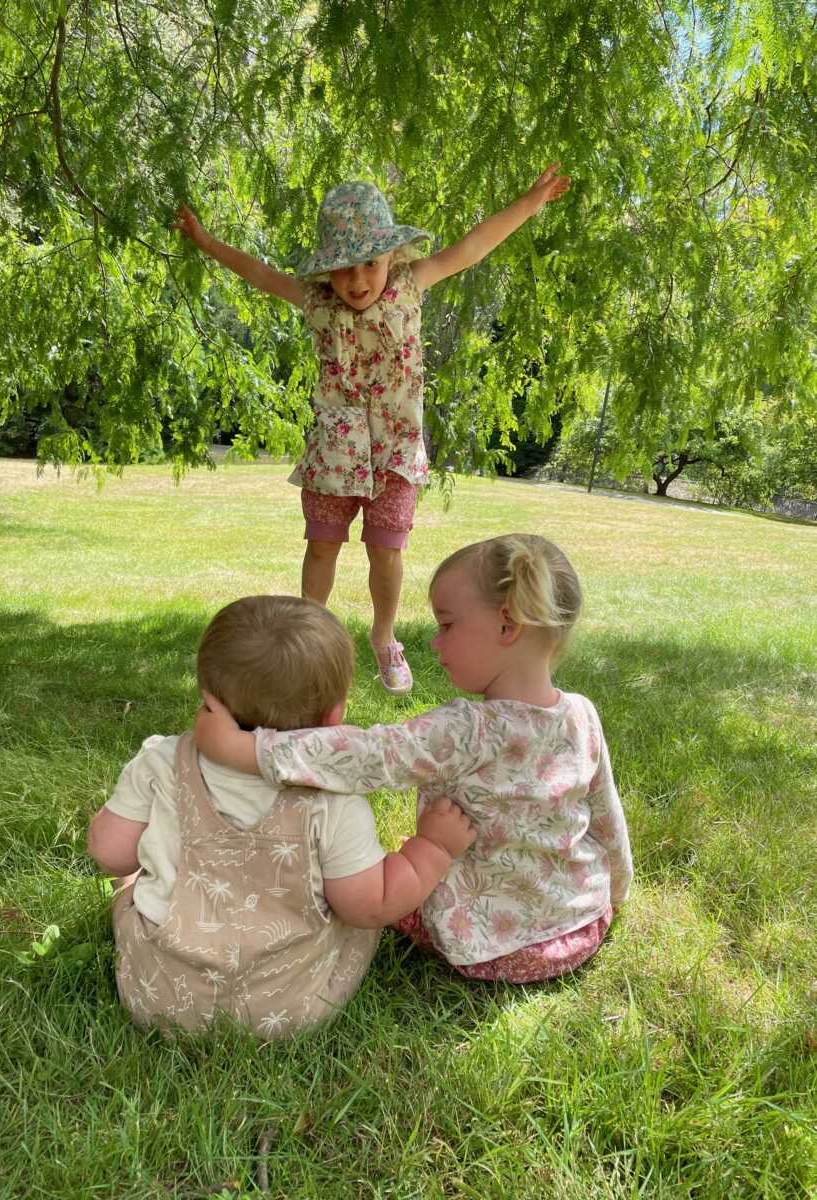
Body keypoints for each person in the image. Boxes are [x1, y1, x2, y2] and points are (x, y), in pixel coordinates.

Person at [173, 165, 570, 694]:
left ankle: (384, 639)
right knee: (321, 547)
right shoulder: (316, 302)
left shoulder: (411, 285)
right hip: (335, 450)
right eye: (342, 269)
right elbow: (258, 273)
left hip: (395, 449)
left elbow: (473, 247)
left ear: (391, 257)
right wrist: (205, 240)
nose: (357, 281)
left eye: (369, 265)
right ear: (326, 271)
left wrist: (530, 201)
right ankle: (307, 640)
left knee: (386, 550)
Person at [194, 535, 633, 984]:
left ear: (507, 625)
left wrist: (246, 748)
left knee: (380, 884)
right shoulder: (582, 713)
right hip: (579, 924)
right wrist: (616, 889)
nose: (434, 642)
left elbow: (369, 756)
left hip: (490, 947)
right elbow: (605, 816)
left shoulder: (465, 730)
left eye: (446, 625)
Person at [87, 595, 475, 1038]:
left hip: (160, 997)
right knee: (351, 922)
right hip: (289, 1005)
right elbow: (370, 906)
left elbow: (110, 853)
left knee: (132, 887)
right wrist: (434, 849)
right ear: (334, 716)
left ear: (209, 698)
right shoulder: (332, 797)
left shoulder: (162, 760)